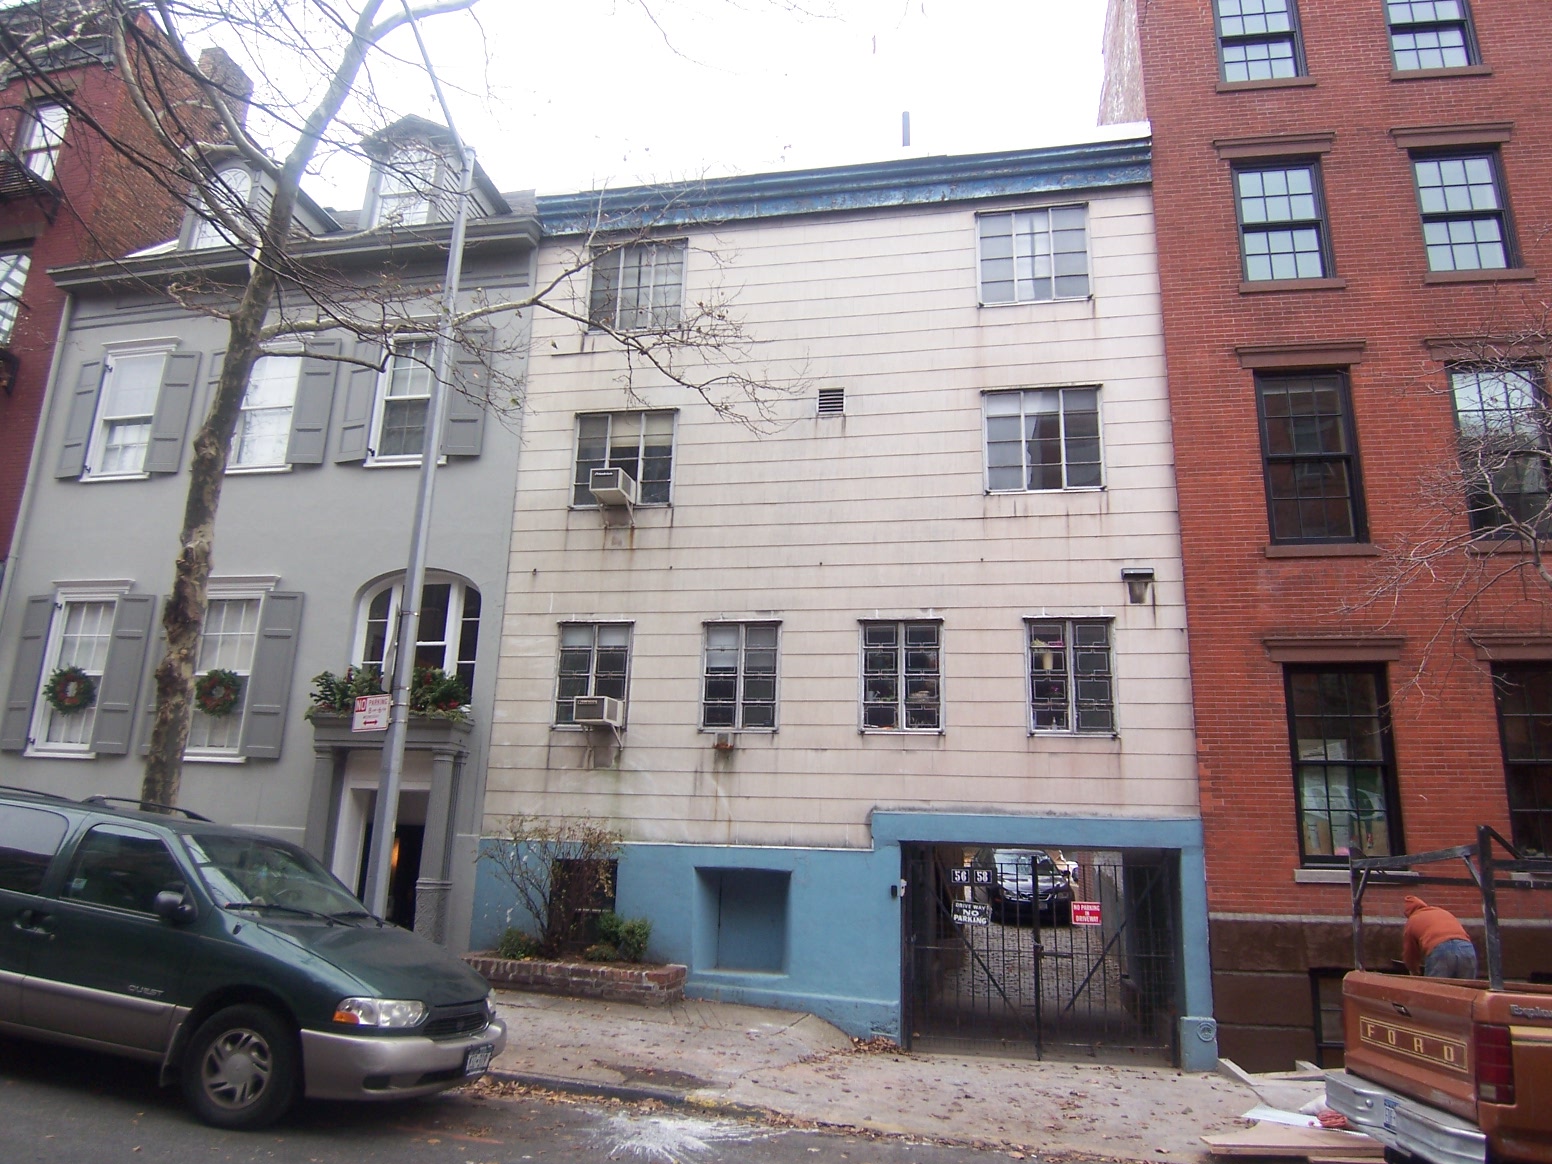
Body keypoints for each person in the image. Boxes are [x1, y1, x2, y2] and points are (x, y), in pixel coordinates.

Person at [1401, 895, 1478, 978]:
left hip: (1441, 951)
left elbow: (1410, 953)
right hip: (1467, 949)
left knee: (1435, 989)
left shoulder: (1412, 920)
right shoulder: (1442, 911)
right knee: (1466, 989)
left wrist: (1414, 971)